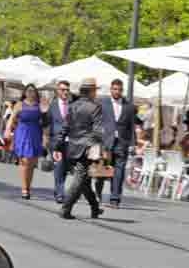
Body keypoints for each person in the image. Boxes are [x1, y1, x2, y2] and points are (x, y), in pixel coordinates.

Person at [56, 78, 103, 220]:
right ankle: (66, 208)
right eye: (95, 90)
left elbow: (65, 126)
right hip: (86, 147)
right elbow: (97, 130)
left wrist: (58, 144)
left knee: (85, 180)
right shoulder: (95, 107)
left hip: (72, 146)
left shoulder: (73, 105)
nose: (96, 93)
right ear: (91, 91)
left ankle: (95, 208)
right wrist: (94, 147)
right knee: (80, 178)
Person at [94, 78, 136, 208]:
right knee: (102, 170)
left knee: (119, 171)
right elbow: (96, 121)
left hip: (121, 142)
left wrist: (132, 144)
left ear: (122, 90)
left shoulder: (129, 106)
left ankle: (115, 199)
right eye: (115, 89)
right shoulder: (102, 103)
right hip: (106, 142)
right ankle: (97, 195)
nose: (117, 91)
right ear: (111, 89)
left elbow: (131, 126)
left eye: (119, 89)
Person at [4, 84, 45, 199]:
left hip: (35, 133)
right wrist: (7, 130)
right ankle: (24, 188)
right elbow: (12, 118)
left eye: (33, 90)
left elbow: (45, 120)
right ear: (25, 92)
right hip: (22, 133)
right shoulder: (20, 104)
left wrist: (46, 137)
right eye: (28, 90)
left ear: (36, 92)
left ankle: (28, 186)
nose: (30, 92)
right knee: (25, 161)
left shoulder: (39, 105)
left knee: (32, 163)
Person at [47, 81, 71, 204]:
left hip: (70, 142)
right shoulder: (52, 105)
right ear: (57, 91)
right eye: (62, 89)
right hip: (56, 141)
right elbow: (47, 123)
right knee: (59, 166)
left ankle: (58, 189)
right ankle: (60, 193)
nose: (65, 92)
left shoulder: (73, 105)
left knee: (65, 168)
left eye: (67, 89)